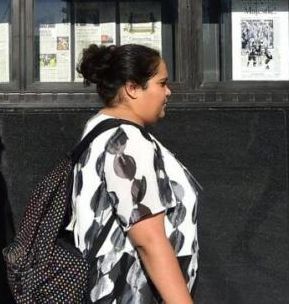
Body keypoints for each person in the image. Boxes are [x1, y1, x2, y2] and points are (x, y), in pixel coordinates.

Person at [69, 44, 200, 304]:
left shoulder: (98, 129)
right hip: (132, 294)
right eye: (161, 83)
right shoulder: (126, 143)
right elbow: (149, 240)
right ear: (132, 88)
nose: (168, 92)